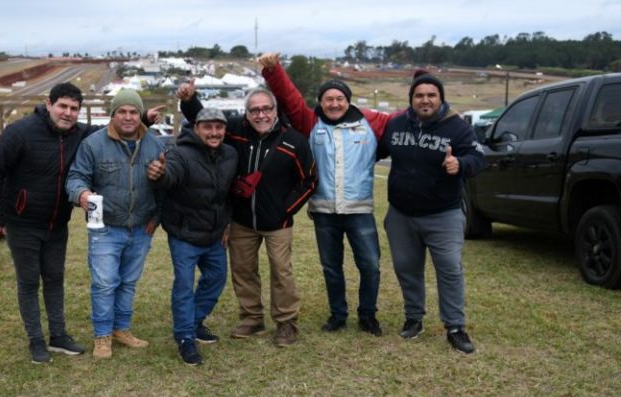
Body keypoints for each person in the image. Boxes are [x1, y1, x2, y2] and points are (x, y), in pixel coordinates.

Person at [259, 53, 397, 336]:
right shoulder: (311, 124)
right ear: (321, 102)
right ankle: (338, 314)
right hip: (324, 212)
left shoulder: (371, 123)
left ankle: (368, 315)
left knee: (370, 265)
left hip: (360, 211)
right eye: (328, 99)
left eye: (340, 99)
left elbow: (407, 119)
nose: (334, 104)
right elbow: (290, 97)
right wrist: (274, 71)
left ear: (348, 101)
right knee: (331, 267)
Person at [178, 81, 316, 347]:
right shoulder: (235, 132)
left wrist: (286, 209)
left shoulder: (294, 140)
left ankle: (286, 322)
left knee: (281, 272)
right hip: (241, 220)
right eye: (254, 110)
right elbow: (206, 122)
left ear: (275, 111)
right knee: (243, 271)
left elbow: (309, 180)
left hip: (278, 222)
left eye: (266, 109)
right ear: (246, 113)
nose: (260, 115)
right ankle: (252, 317)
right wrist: (189, 99)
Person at [0, 82, 93, 364]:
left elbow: (112, 132)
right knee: (29, 282)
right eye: (63, 106)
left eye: (74, 109)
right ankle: (36, 340)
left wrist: (140, 119)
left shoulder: (79, 134)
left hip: (57, 224)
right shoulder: (20, 132)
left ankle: (58, 336)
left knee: (55, 279)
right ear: (49, 103)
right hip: (22, 223)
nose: (67, 113)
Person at [378, 70, 485, 354]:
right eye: (419, 95)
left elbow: (478, 156)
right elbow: (376, 150)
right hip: (401, 213)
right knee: (406, 268)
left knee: (449, 269)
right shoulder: (396, 124)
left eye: (431, 95)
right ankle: (414, 318)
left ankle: (455, 326)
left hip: (443, 214)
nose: (425, 100)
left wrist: (460, 164)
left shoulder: (457, 127)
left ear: (440, 98)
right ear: (411, 98)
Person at [65, 88, 166, 359]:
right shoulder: (93, 145)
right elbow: (75, 177)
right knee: (105, 283)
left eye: (133, 111)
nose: (128, 117)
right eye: (122, 111)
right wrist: (81, 194)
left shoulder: (156, 144)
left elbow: (166, 187)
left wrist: (155, 219)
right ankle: (102, 335)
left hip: (141, 227)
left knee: (128, 281)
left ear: (140, 115)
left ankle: (122, 328)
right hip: (106, 227)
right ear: (113, 114)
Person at [147, 107, 238, 365]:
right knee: (184, 286)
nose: (214, 132)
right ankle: (185, 337)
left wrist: (227, 222)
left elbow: (229, 193)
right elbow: (170, 174)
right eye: (207, 127)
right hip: (184, 234)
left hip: (215, 234)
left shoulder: (230, 154)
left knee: (216, 279)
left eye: (218, 127)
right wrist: (160, 174)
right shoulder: (180, 154)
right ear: (196, 128)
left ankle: (194, 322)